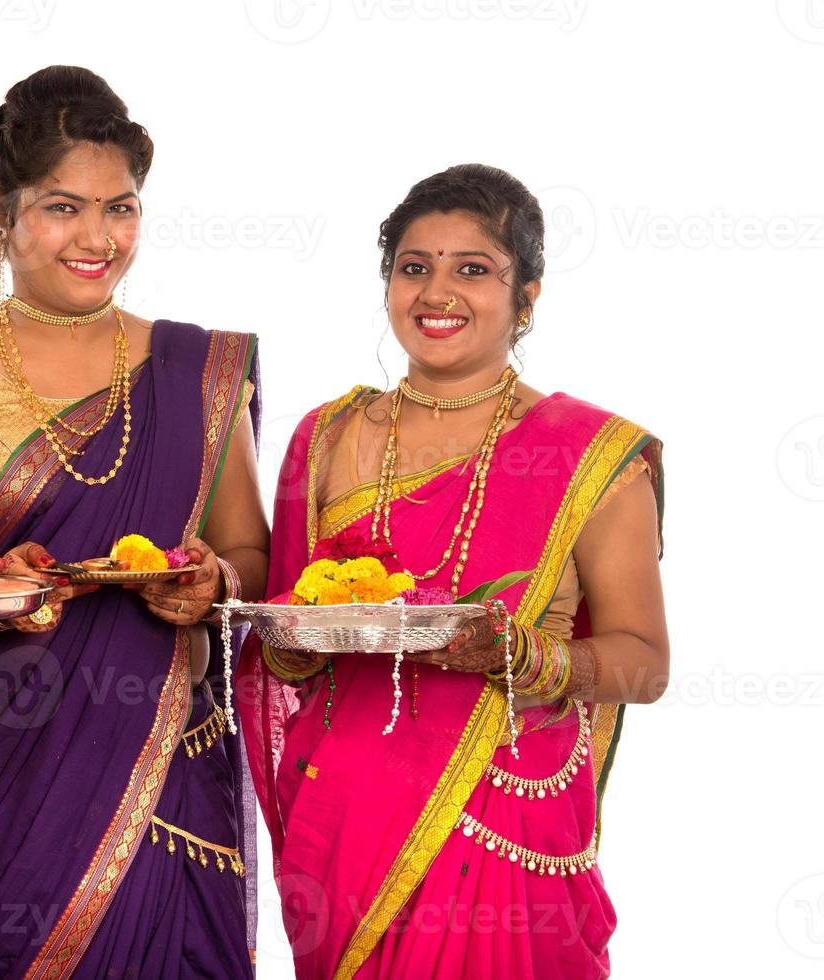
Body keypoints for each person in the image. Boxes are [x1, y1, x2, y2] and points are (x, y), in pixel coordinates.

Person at [0, 66, 270, 977]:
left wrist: (213, 583)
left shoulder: (196, 371)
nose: (97, 238)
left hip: (163, 761)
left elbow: (250, 557)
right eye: (62, 208)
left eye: (120, 209)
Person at [237, 164, 669, 979]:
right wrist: (301, 634)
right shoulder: (325, 439)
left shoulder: (589, 456)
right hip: (348, 814)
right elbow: (280, 649)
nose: (437, 292)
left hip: (505, 812)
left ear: (528, 295)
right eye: (414, 267)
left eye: (473, 268)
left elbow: (644, 664)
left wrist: (525, 658)